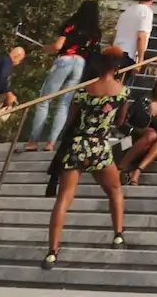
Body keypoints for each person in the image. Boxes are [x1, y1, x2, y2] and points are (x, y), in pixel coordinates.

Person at [43, 45, 130, 269]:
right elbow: (120, 122)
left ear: (100, 64)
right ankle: (118, 235)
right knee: (114, 190)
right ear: (118, 66)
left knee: (64, 198)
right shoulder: (122, 92)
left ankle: (52, 251)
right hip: (99, 145)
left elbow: (71, 118)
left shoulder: (83, 90)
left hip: (77, 144)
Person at [26, 1, 100, 150]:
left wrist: (47, 48)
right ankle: (51, 143)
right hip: (80, 64)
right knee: (64, 105)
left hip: (65, 59)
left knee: (44, 100)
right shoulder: (95, 31)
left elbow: (58, 46)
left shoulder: (72, 24)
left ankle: (33, 141)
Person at [119, 74, 157, 186]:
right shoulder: (142, 101)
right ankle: (121, 167)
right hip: (131, 143)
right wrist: (138, 131)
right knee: (151, 134)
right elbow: (121, 124)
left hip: (155, 149)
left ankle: (137, 171)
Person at [111, 0, 157, 68]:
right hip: (128, 54)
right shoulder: (146, 12)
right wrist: (140, 61)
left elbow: (115, 33)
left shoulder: (127, 11)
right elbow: (141, 36)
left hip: (115, 51)